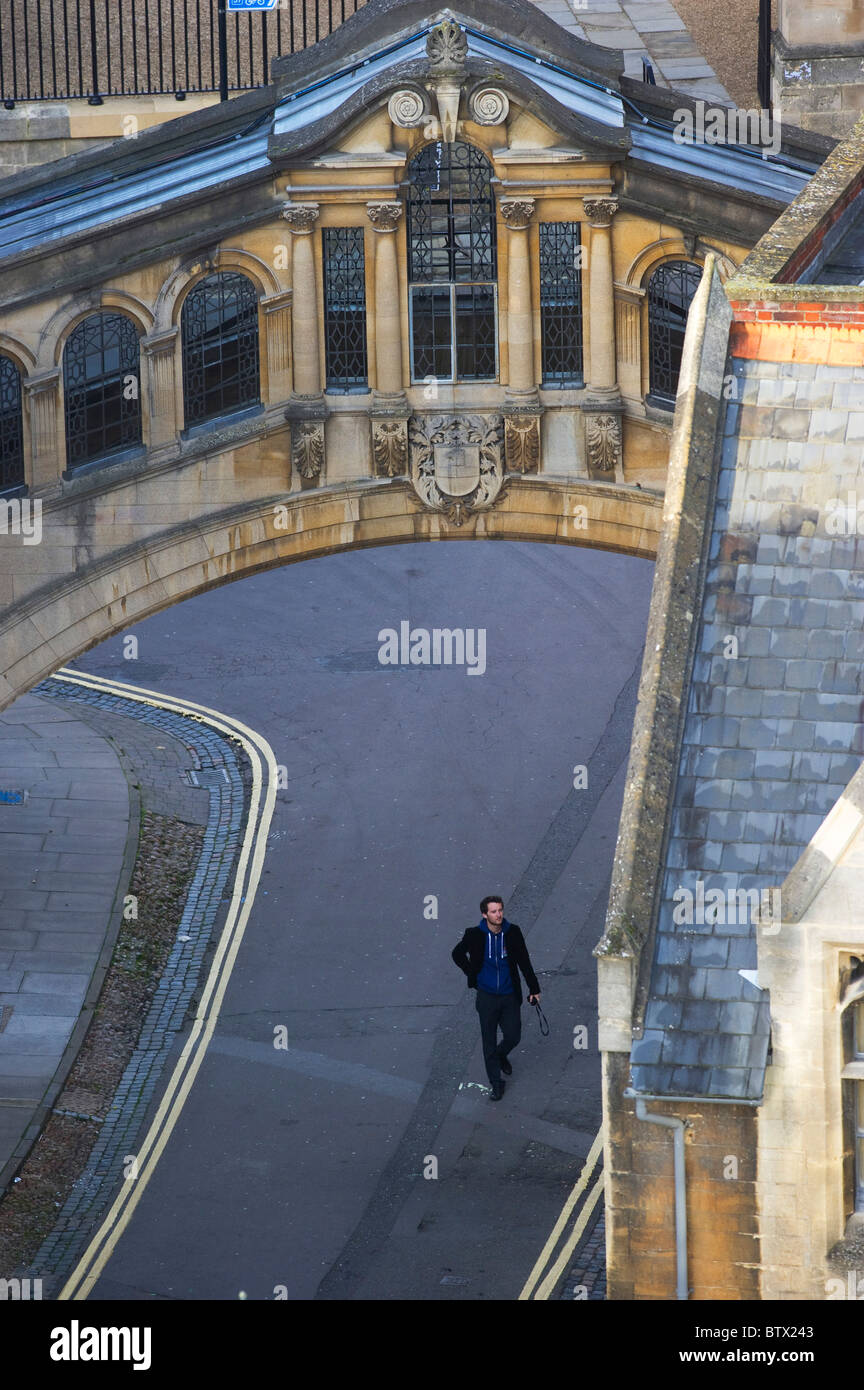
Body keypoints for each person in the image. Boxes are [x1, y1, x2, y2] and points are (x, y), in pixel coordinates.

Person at [451, 895, 541, 1101]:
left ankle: (501, 1054)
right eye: (493, 911)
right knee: (488, 1041)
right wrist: (472, 974)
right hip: (487, 997)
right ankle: (496, 1083)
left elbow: (524, 961)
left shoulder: (513, 932)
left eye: (500, 910)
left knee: (513, 1035)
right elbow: (457, 954)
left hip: (509, 995)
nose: (498, 914)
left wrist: (534, 988)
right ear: (485, 914)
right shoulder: (474, 935)